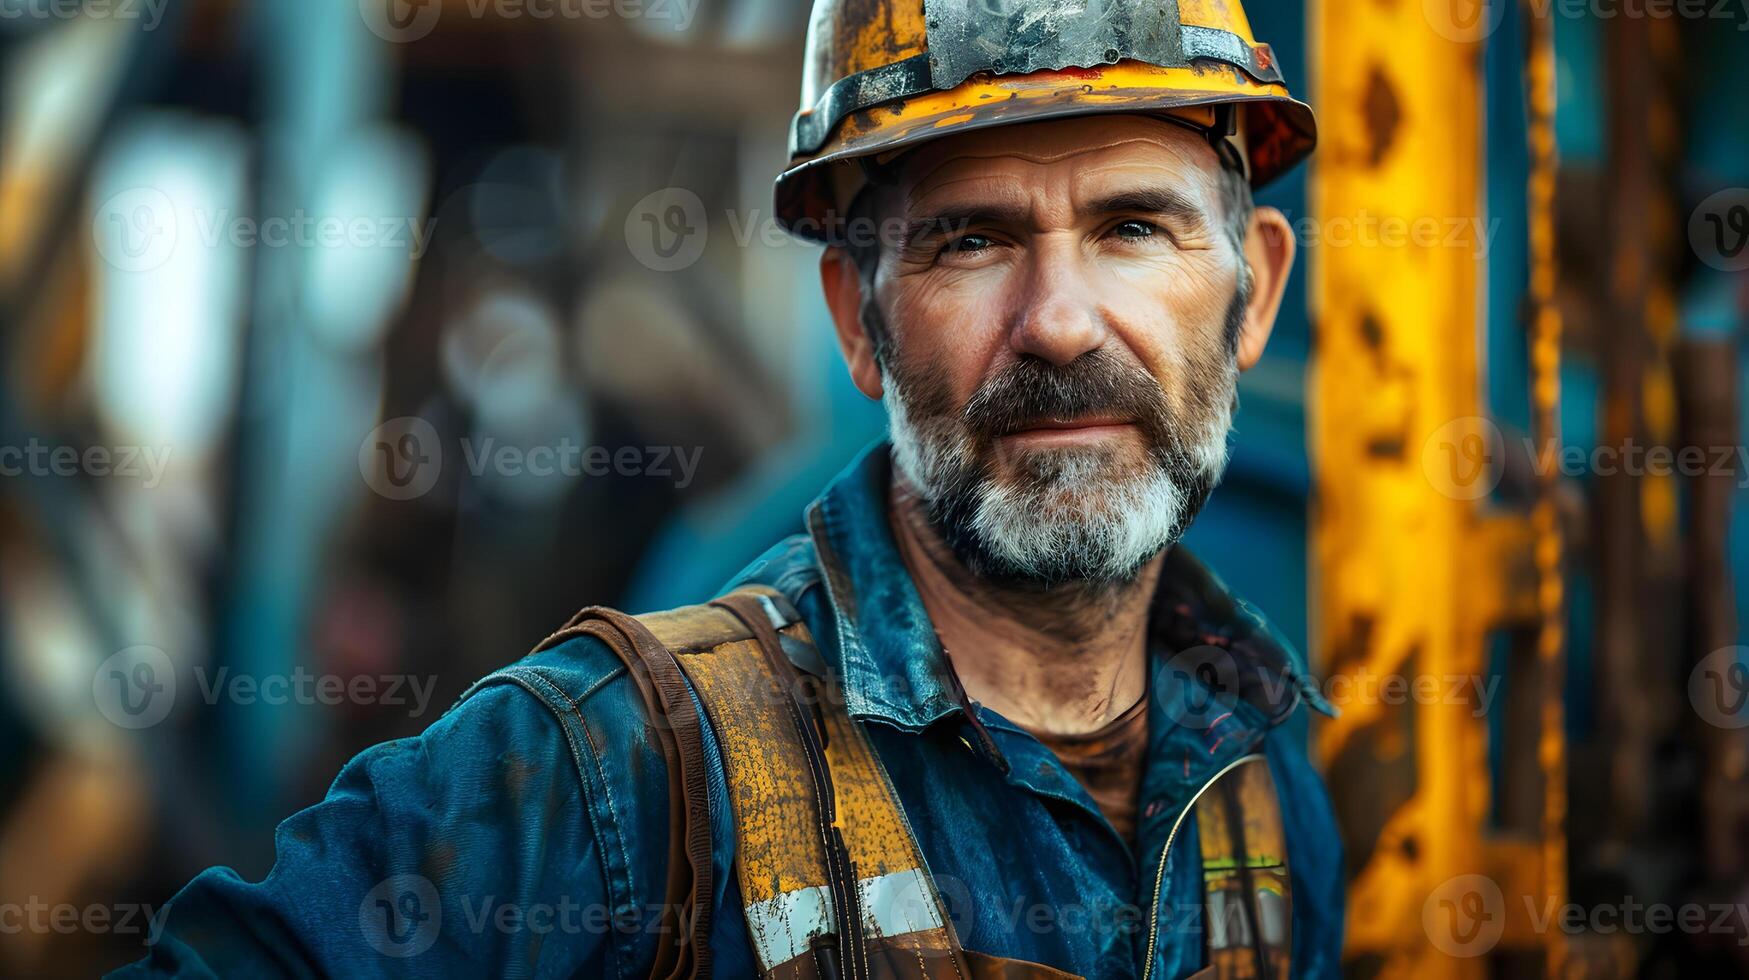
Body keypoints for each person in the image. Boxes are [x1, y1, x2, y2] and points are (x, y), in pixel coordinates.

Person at [120, 0, 1342, 976]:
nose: (1063, 324)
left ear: (1256, 292)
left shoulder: (1272, 784)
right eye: (971, 239)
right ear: (857, 323)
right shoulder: (616, 770)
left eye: (1134, 227)